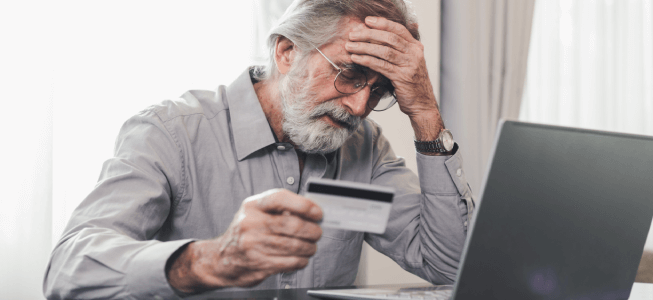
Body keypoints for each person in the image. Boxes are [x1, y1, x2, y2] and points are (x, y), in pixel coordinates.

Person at [44, 0, 475, 299]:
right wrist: (208, 261)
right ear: (288, 51)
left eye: (379, 89)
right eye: (350, 74)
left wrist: (423, 111)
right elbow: (69, 268)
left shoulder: (364, 150)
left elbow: (450, 267)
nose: (360, 106)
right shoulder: (172, 132)